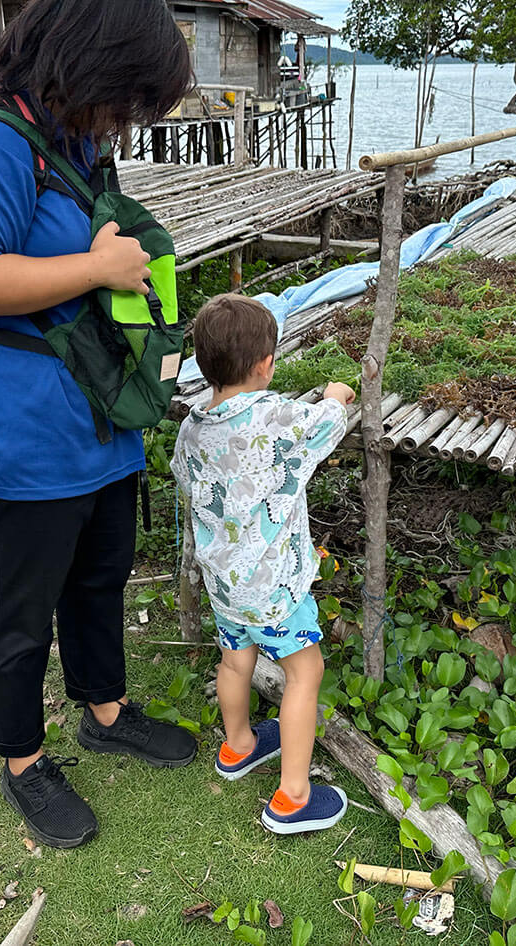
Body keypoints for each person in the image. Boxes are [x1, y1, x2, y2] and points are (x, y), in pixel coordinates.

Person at [0, 0, 197, 850]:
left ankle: (104, 712)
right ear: (88, 56)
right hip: (18, 420)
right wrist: (97, 265)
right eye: (126, 94)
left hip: (96, 409)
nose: (126, 118)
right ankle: (22, 759)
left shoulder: (73, 136)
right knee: (18, 605)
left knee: (99, 573)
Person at [171, 294, 355, 834]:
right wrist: (337, 394)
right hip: (277, 587)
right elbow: (328, 422)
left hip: (225, 584)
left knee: (235, 662)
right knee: (306, 671)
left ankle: (239, 747)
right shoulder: (279, 417)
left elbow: (188, 477)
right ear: (264, 365)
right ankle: (293, 797)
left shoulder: (192, 426)